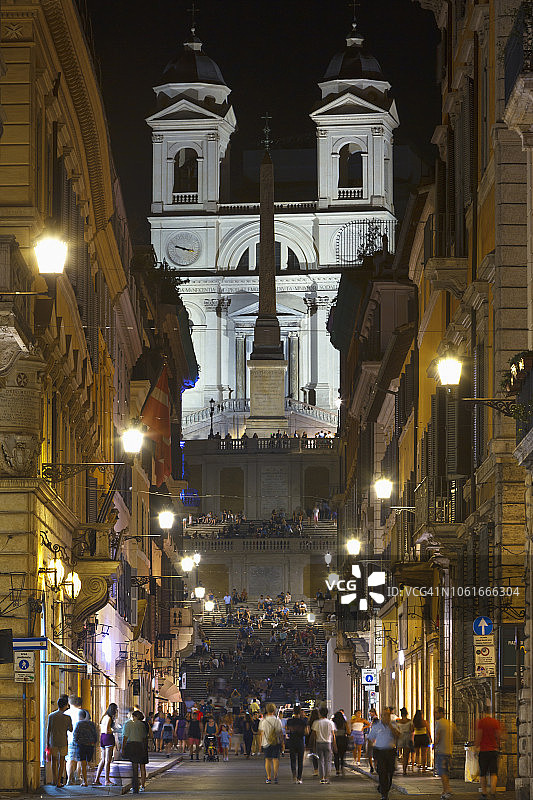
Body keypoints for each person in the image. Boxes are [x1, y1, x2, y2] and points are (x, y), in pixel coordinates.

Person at [367, 708, 399, 800]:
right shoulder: (376, 726)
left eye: (388, 715)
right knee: (382, 772)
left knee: (390, 772)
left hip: (390, 751)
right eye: (384, 715)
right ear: (381, 716)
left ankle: (384, 788)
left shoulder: (393, 725)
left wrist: (390, 726)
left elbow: (398, 735)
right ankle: (384, 794)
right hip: (380, 751)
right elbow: (370, 739)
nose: (386, 717)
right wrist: (369, 752)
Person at [475, 703, 504, 800]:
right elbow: (498, 735)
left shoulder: (481, 722)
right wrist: (498, 746)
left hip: (483, 750)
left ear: (483, 712)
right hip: (493, 750)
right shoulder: (495, 722)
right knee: (493, 772)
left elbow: (479, 735)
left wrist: (476, 746)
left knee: (483, 773)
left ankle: (484, 793)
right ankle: (493, 791)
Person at [46, 695, 72, 787]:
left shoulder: (51, 716)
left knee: (54, 761)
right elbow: (71, 729)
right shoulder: (67, 717)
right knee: (62, 761)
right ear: (65, 705)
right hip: (63, 741)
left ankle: (54, 779)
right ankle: (59, 781)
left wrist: (47, 743)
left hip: (53, 741)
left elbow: (48, 730)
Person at [434, 707, 458, 800]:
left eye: (436, 712)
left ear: (441, 713)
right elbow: (456, 736)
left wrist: (434, 745)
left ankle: (447, 790)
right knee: (445, 772)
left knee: (442, 772)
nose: (435, 714)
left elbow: (437, 736)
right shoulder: (450, 723)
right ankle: (444, 791)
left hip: (441, 751)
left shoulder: (439, 723)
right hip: (449, 751)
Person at [122, 710, 148, 793]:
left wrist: (123, 748)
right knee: (138, 766)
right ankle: (137, 785)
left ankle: (135, 785)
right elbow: (144, 737)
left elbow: (125, 737)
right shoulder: (141, 725)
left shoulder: (127, 724)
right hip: (139, 746)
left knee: (134, 766)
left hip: (131, 745)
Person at [94, 703, 118, 786]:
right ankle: (107, 780)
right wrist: (114, 730)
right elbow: (108, 730)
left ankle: (97, 779)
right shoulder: (109, 718)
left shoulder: (104, 717)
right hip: (108, 737)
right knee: (108, 760)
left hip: (102, 737)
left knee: (103, 760)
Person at [259, 702, 283, 784]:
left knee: (267, 760)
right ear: (274, 710)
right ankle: (275, 776)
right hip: (276, 742)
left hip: (266, 742)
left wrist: (260, 744)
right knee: (275, 759)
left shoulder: (263, 721)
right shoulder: (277, 720)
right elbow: (280, 732)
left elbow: (261, 733)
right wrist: (282, 742)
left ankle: (269, 777)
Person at [72, 710, 97, 787]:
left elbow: (75, 734)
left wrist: (76, 742)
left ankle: (85, 781)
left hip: (81, 745)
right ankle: (92, 779)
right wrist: (94, 743)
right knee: (89, 762)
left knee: (83, 763)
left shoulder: (79, 724)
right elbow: (95, 735)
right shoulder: (92, 724)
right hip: (90, 745)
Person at [312, 706, 336, 785]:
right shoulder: (330, 723)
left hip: (319, 743)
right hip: (328, 743)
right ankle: (327, 778)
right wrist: (334, 744)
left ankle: (322, 778)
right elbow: (333, 734)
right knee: (328, 761)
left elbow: (314, 735)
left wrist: (313, 745)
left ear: (320, 713)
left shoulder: (316, 722)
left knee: (320, 761)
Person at [66, 695, 87, 785]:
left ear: (69, 703)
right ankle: (78, 777)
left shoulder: (66, 713)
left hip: (69, 739)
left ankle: (69, 779)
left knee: (70, 759)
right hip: (81, 740)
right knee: (80, 759)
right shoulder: (82, 712)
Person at [285, 705, 308, 784]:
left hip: (292, 742)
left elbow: (287, 730)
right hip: (300, 742)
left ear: (293, 711)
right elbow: (307, 732)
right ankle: (299, 778)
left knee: (293, 759)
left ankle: (294, 776)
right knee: (300, 761)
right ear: (300, 711)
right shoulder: (303, 721)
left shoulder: (289, 721)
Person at [396, 708, 414, 775]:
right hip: (407, 737)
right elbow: (412, 730)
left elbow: (397, 730)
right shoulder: (410, 721)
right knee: (406, 755)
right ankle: (404, 770)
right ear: (407, 714)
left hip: (400, 737)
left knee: (400, 753)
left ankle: (400, 759)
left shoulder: (398, 722)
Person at [332, 709, 350, 777]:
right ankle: (342, 767)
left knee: (336, 755)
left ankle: (337, 770)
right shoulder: (344, 723)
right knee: (342, 755)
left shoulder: (333, 723)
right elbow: (348, 732)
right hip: (343, 739)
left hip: (335, 739)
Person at [307, 708, 320, 777]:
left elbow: (308, 731)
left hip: (312, 739)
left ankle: (316, 770)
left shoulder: (310, 721)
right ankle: (322, 769)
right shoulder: (320, 721)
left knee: (314, 754)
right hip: (319, 738)